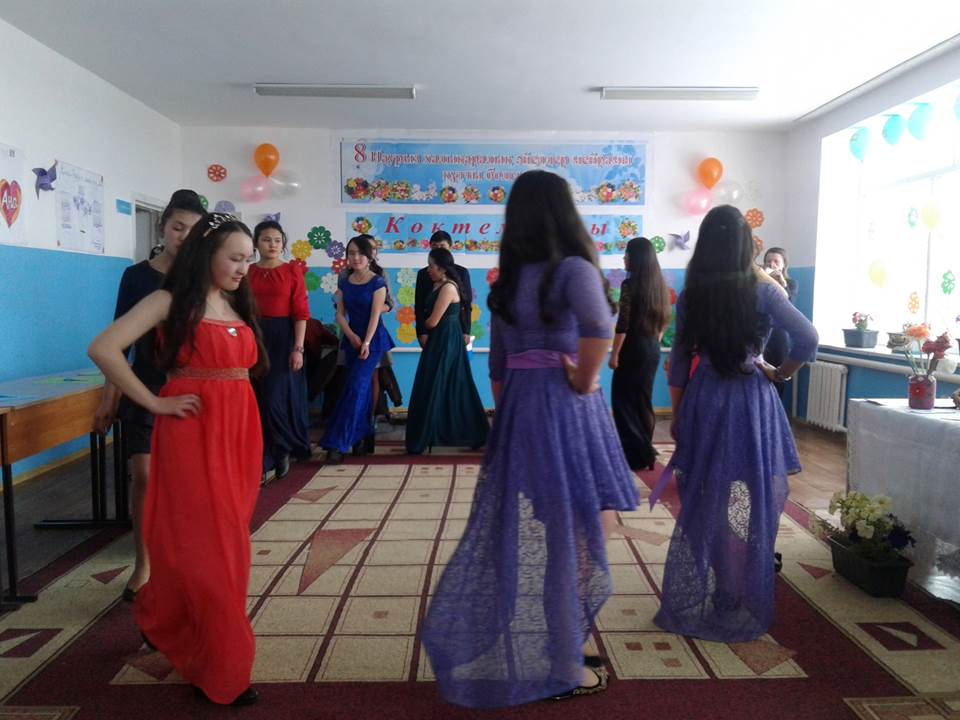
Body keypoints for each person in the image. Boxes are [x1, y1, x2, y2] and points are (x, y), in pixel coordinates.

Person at [422, 170, 638, 708]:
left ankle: (567, 638)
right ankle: (564, 661)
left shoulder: (507, 284)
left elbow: (497, 367)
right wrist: (584, 379)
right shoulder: (573, 268)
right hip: (565, 408)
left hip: (522, 410)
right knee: (578, 534)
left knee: (565, 528)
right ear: (565, 214)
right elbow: (599, 327)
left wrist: (512, 416)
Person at [88, 213, 266, 706]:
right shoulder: (168, 301)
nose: (243, 268)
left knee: (225, 542)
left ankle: (164, 616)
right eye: (235, 258)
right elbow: (103, 348)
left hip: (239, 437)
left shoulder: (234, 303)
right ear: (205, 255)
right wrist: (152, 401)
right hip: (191, 434)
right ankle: (224, 670)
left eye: (247, 259)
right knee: (215, 551)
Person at [650, 205, 818, 643]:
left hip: (706, 398)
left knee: (709, 496)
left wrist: (679, 414)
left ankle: (723, 585)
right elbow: (809, 338)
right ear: (748, 246)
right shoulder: (765, 291)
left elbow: (679, 359)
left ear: (706, 244)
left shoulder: (693, 294)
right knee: (757, 496)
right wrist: (780, 373)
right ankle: (746, 584)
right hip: (752, 401)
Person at [92, 189, 205, 601]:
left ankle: (182, 557)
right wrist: (110, 397)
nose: (184, 237)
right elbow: (117, 341)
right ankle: (143, 563)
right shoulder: (136, 276)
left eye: (193, 231)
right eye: (178, 227)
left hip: (189, 389)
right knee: (144, 476)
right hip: (144, 387)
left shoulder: (204, 278)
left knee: (186, 483)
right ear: (162, 227)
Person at [405, 247, 489, 454]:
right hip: (439, 338)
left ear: (442, 268)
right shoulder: (438, 284)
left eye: (431, 266)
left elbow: (432, 321)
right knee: (438, 383)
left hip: (447, 339)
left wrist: (424, 322)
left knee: (441, 382)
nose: (428, 269)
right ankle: (434, 433)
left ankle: (474, 433)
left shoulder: (448, 288)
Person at [321, 235, 395, 463]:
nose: (356, 257)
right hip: (352, 340)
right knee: (355, 389)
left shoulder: (378, 281)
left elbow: (375, 315)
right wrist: (351, 335)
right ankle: (363, 436)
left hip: (372, 342)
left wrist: (366, 342)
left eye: (361, 253)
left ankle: (337, 443)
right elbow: (339, 315)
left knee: (356, 388)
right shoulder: (345, 281)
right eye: (351, 253)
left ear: (370, 256)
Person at [247, 220, 311, 481]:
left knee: (275, 397)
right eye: (266, 239)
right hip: (253, 337)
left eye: (277, 240)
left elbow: (301, 313)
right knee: (257, 399)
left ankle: (282, 448)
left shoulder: (292, 270)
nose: (272, 245)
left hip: (283, 337)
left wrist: (298, 348)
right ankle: (263, 455)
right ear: (255, 243)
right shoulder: (248, 272)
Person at [608, 237, 672, 471]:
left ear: (636, 257)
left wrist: (614, 355)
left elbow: (623, 325)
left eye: (627, 253)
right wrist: (654, 340)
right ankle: (646, 453)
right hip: (651, 348)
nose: (624, 257)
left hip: (632, 349)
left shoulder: (629, 284)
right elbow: (665, 319)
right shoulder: (659, 285)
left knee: (622, 401)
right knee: (643, 401)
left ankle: (635, 454)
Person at [415, 230, 473, 347]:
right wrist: (421, 332)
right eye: (434, 246)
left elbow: (466, 304)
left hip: (453, 330)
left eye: (442, 246)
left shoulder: (462, 272)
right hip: (430, 332)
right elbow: (419, 306)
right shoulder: (423, 274)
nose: (438, 249)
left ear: (450, 247)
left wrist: (466, 330)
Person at [761, 247, 799, 372]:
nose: (771, 264)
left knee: (778, 373)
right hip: (761, 336)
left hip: (779, 336)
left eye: (776, 261)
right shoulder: (759, 284)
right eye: (768, 261)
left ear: (783, 265)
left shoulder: (791, 284)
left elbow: (789, 307)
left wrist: (782, 284)